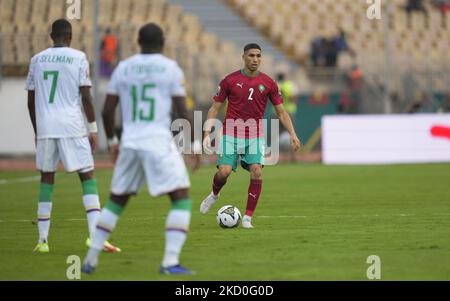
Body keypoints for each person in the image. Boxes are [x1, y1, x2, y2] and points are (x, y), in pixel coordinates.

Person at [82, 23, 201, 275]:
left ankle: (91, 259)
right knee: (180, 198)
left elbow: (106, 110)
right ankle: (170, 262)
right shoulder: (170, 68)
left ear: (138, 41)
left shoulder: (123, 68)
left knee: (117, 201)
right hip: (158, 140)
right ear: (163, 41)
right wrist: (194, 145)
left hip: (130, 142)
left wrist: (113, 142)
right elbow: (182, 110)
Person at [26, 19, 120, 253]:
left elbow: (30, 101)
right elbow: (86, 97)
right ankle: (94, 238)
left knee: (47, 179)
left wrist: (38, 131)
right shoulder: (78, 58)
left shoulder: (36, 60)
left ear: (51, 36)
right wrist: (93, 129)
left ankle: (42, 241)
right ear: (70, 37)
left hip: (46, 127)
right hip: (71, 125)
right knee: (87, 175)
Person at [200, 43, 301, 228]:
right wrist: (207, 133)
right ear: (243, 57)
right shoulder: (230, 80)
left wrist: (293, 134)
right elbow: (215, 108)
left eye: (258, 56)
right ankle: (214, 194)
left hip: (254, 135)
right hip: (231, 132)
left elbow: (281, 112)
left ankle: (247, 218)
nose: (255, 59)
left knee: (257, 171)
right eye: (251, 55)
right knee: (224, 172)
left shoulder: (269, 83)